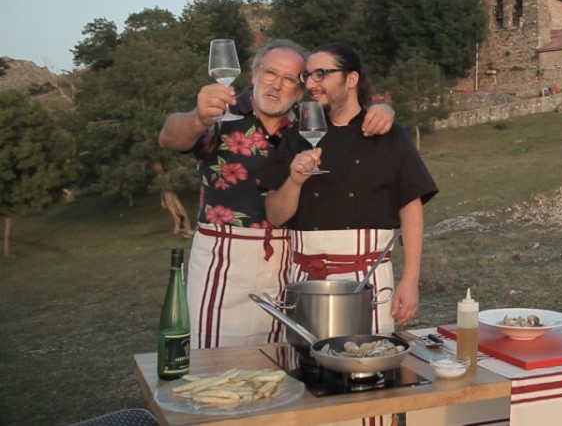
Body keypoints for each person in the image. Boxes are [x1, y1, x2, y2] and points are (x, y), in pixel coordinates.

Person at [157, 38, 394, 349]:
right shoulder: (219, 114)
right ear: (254, 74)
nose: (276, 86)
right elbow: (170, 137)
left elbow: (349, 109)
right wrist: (198, 117)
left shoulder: (306, 122)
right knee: (216, 363)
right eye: (270, 73)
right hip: (224, 260)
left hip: (289, 260)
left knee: (284, 361)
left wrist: (384, 108)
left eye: (289, 79)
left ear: (300, 89)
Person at [261, 42, 438, 334]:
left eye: (321, 74)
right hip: (306, 281)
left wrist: (410, 280)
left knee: (366, 362)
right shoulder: (296, 136)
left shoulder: (387, 135)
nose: (311, 84)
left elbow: (411, 208)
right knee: (307, 362)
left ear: (351, 79)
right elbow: (275, 216)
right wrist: (294, 180)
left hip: (368, 278)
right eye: (308, 76)